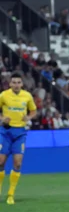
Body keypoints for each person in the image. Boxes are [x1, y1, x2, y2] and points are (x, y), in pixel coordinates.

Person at [0, 72, 37, 204]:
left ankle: (10, 194)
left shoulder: (27, 96)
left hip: (20, 133)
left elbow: (33, 111)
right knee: (0, 162)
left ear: (22, 84)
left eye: (18, 82)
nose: (16, 85)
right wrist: (2, 118)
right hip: (5, 132)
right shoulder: (4, 95)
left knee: (18, 163)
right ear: (10, 83)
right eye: (14, 82)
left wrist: (29, 117)